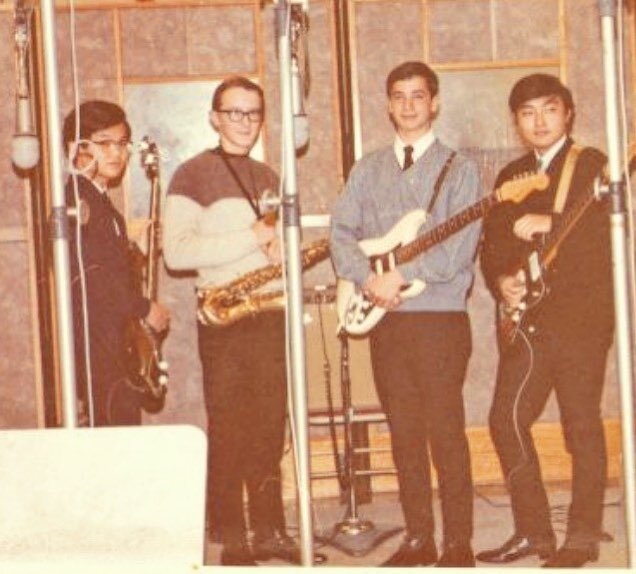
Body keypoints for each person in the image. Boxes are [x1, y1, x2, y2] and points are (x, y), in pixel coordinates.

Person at [162, 76, 325, 567]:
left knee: (271, 426)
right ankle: (233, 535)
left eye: (253, 114)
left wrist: (284, 250)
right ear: (214, 117)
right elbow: (177, 252)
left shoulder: (268, 176)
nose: (245, 123)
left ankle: (272, 529)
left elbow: (270, 246)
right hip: (225, 316)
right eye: (234, 113)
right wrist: (252, 236)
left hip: (270, 311)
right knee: (230, 426)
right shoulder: (190, 175)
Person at [330, 61, 481, 567]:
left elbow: (459, 248)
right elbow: (341, 233)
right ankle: (419, 538)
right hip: (386, 320)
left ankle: (458, 542)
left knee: (445, 430)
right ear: (389, 104)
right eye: (400, 96)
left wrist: (400, 276)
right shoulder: (367, 168)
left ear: (435, 102)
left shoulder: (460, 168)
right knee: (404, 433)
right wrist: (369, 279)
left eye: (419, 95)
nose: (410, 104)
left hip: (438, 319)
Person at [478, 74, 613, 568]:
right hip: (528, 320)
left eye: (549, 109)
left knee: (581, 426)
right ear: (516, 122)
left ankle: (581, 536)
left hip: (581, 320)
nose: (539, 120)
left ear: (568, 113)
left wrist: (550, 224)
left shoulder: (593, 164)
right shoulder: (510, 175)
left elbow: (606, 235)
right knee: (505, 420)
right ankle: (533, 532)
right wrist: (501, 281)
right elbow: (491, 243)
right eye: (527, 112)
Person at [63, 100, 171, 427]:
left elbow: (107, 267)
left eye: (122, 144)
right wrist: (143, 308)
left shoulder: (101, 202)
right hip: (98, 351)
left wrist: (132, 250)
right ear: (76, 148)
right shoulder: (75, 201)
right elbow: (93, 280)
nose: (116, 153)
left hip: (112, 349)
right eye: (104, 143)